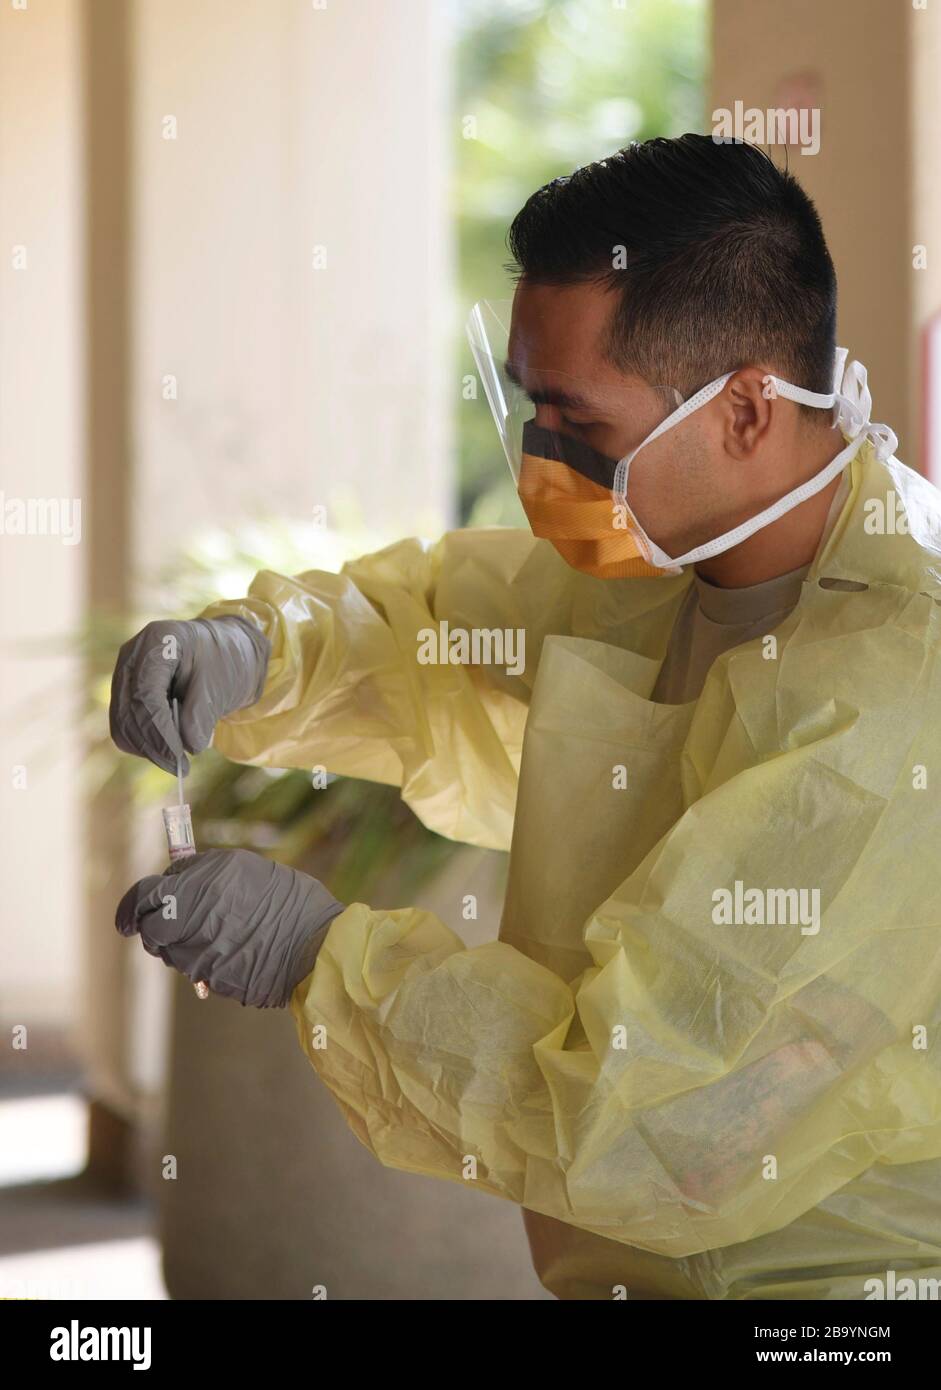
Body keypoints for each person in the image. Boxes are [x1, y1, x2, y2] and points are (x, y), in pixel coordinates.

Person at [110, 136, 941, 1300]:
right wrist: (253, 652)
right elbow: (442, 627)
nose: (541, 464)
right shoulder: (674, 556)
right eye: (529, 409)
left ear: (747, 410)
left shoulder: (894, 691)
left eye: (577, 424)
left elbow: (634, 1117)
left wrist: (319, 957)